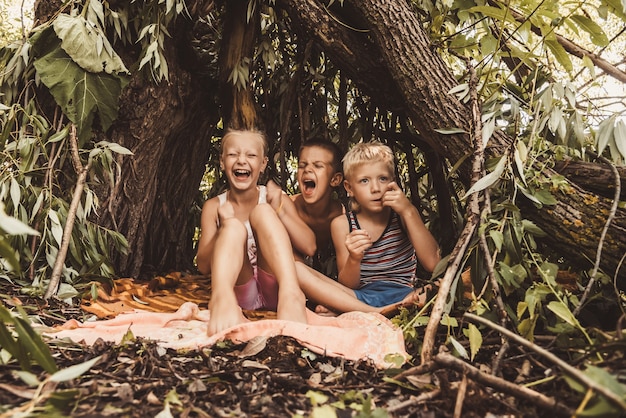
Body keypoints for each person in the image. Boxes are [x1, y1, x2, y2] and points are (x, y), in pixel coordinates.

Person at [296, 141, 441, 314]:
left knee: (442, 285)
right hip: (360, 296)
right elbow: (348, 284)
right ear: (349, 188)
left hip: (406, 295)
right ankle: (376, 312)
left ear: (392, 182)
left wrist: (409, 211)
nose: (375, 188)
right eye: (364, 181)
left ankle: (350, 311)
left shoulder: (402, 215)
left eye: (382, 179)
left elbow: (434, 263)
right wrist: (354, 258)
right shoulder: (342, 224)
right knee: (296, 269)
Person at [196, 127, 316, 335]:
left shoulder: (274, 198)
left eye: (251, 155)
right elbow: (203, 266)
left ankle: (292, 294)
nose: (241, 160)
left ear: (262, 165)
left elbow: (310, 246)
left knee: (262, 212)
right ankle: (221, 298)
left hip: (276, 289)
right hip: (240, 292)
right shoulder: (214, 207)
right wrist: (222, 228)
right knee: (232, 227)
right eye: (233, 154)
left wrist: (279, 211)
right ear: (222, 162)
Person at [291, 138, 345, 278]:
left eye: (318, 166)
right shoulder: (288, 208)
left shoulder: (342, 215)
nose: (307, 169)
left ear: (335, 180)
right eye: (302, 165)